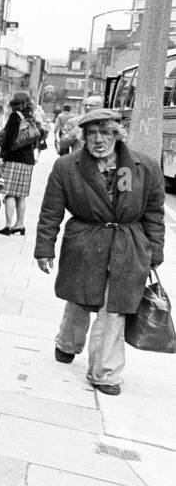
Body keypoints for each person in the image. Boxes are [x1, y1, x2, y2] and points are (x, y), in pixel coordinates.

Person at [33, 108, 167, 396]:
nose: (98, 140)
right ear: (83, 137)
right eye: (92, 134)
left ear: (117, 135)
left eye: (105, 133)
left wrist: (155, 250)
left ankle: (105, 372)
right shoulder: (68, 166)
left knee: (114, 308)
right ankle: (68, 342)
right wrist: (44, 248)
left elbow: (154, 213)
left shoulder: (141, 167)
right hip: (85, 242)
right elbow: (51, 211)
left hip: (127, 245)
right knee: (80, 300)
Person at [0, 90, 41, 235]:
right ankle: (20, 224)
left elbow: (9, 140)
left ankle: (8, 225)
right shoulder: (31, 117)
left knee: (9, 193)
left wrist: (2, 152)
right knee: (20, 195)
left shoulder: (15, 117)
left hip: (14, 158)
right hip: (28, 160)